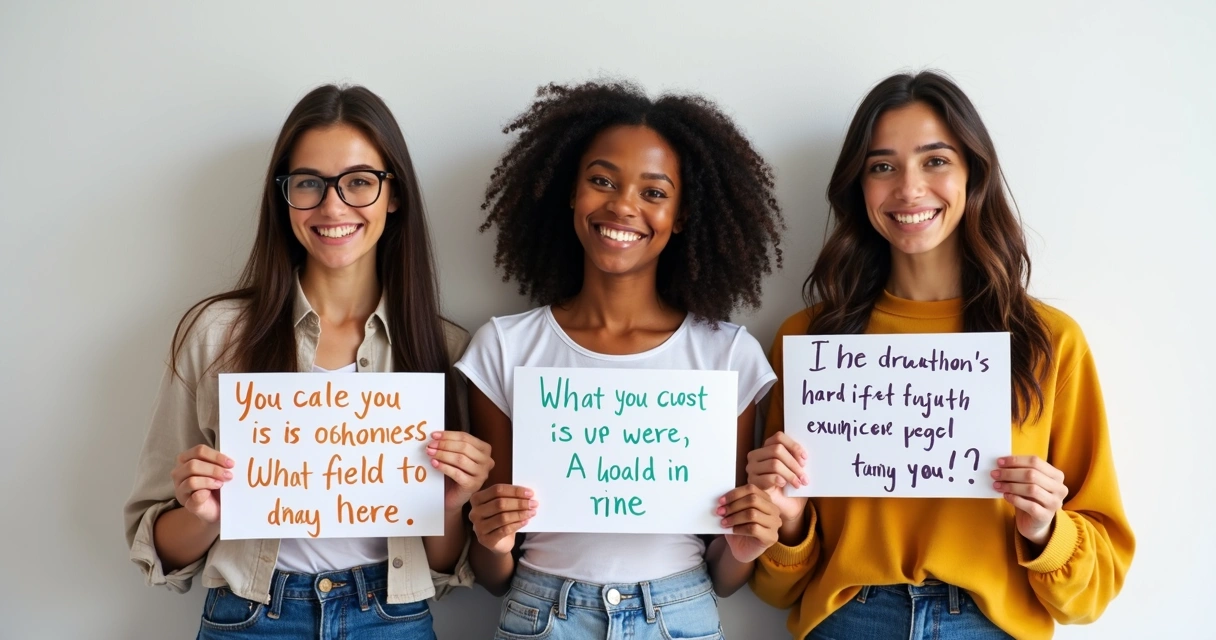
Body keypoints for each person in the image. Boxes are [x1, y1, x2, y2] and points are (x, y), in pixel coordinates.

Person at [748, 71, 1135, 640]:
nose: (909, 188)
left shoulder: (1049, 341)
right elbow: (775, 586)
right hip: (847, 621)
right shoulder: (809, 341)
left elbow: (1094, 591)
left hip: (989, 624)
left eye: (935, 160)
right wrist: (789, 523)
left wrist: (1046, 529)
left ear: (973, 173)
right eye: (882, 166)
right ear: (859, 186)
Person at [123, 84, 492, 639]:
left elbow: (442, 568)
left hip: (390, 619)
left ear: (394, 195)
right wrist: (205, 514)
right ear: (284, 196)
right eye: (309, 184)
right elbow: (160, 553)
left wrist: (452, 501)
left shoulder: (446, 349)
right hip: (248, 618)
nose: (333, 206)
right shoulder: (217, 335)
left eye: (359, 182)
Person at [457, 80, 786, 639]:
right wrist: (491, 539)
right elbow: (495, 575)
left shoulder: (727, 354)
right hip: (542, 612)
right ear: (571, 192)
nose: (623, 205)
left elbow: (725, 577)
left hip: (680, 612)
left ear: (682, 215)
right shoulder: (503, 348)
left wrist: (748, 547)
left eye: (654, 192)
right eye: (601, 180)